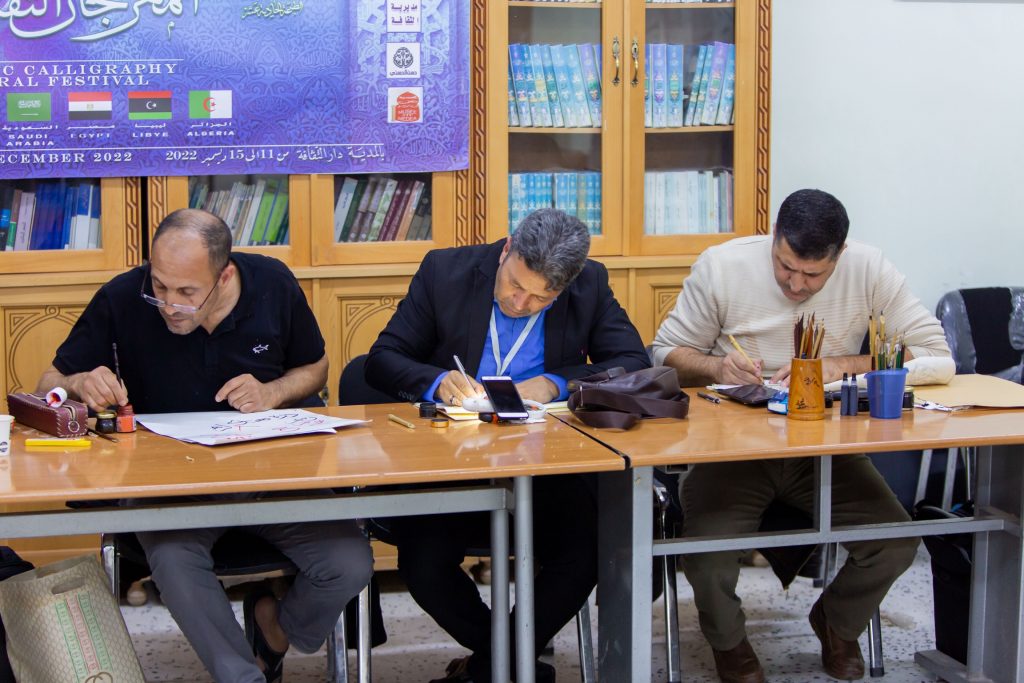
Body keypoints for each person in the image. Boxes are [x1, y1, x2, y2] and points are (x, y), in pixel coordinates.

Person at [37, 208, 372, 683]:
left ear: (224, 275)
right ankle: (244, 677)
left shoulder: (272, 284)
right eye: (160, 286)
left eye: (187, 292)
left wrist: (273, 392)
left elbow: (315, 367)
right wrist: (78, 382)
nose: (169, 304)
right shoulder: (122, 297)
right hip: (171, 487)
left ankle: (274, 629)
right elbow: (47, 383)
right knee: (174, 561)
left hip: (274, 476)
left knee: (349, 563)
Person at [650, 189, 951, 683]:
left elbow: (935, 354)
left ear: (840, 254)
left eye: (813, 275)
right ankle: (729, 643)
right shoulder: (723, 266)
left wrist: (839, 365)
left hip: (825, 450)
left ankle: (836, 621)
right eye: (785, 265)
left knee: (895, 542)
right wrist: (717, 367)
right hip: (734, 450)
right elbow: (665, 354)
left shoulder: (869, 267)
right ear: (774, 237)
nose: (795, 284)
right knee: (706, 558)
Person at [366, 207, 650, 683]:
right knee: (423, 563)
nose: (521, 303)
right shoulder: (444, 272)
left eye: (542, 298)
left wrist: (555, 383)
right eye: (515, 285)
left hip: (546, 462)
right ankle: (510, 661)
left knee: (584, 552)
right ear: (506, 251)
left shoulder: (590, 283)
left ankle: (488, 669)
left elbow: (632, 362)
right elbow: (382, 359)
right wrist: (436, 381)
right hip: (453, 459)